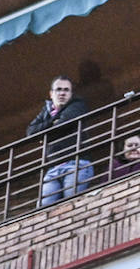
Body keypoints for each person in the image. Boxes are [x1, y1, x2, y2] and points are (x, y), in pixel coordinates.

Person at [26, 75, 93, 206]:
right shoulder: (46, 111)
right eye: (58, 89)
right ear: (51, 94)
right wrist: (53, 121)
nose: (62, 93)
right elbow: (30, 132)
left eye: (66, 90)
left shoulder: (77, 105)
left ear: (71, 93)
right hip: (53, 168)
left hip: (76, 164)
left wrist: (45, 133)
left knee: (71, 206)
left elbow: (63, 124)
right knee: (44, 210)